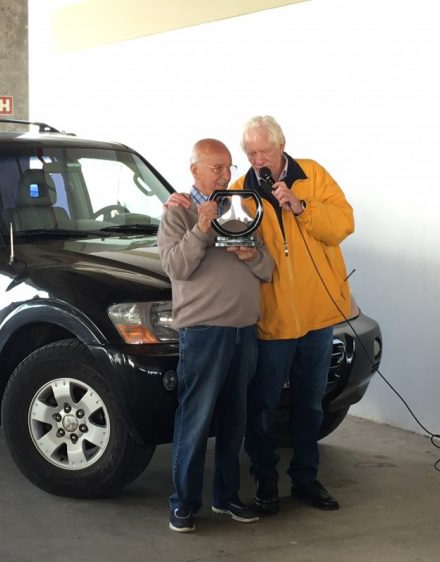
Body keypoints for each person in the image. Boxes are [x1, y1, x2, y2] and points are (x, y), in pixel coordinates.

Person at [166, 116, 354, 513]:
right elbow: (199, 225)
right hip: (271, 318)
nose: (255, 160)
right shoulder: (237, 194)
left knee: (311, 404)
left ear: (281, 147)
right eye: (249, 154)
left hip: (317, 315)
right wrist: (178, 200)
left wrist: (301, 206)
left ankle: (306, 479)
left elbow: (342, 225)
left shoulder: (313, 175)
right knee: (263, 408)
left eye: (262, 152)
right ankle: (265, 480)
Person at [158, 138, 274, 533]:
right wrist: (203, 225)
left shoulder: (240, 209)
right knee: (195, 417)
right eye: (216, 168)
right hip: (205, 331)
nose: (226, 175)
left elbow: (267, 268)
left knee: (233, 419)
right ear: (195, 171)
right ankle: (184, 504)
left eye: (228, 167)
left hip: (244, 329)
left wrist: (251, 256)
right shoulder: (178, 213)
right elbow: (176, 268)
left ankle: (226, 497)